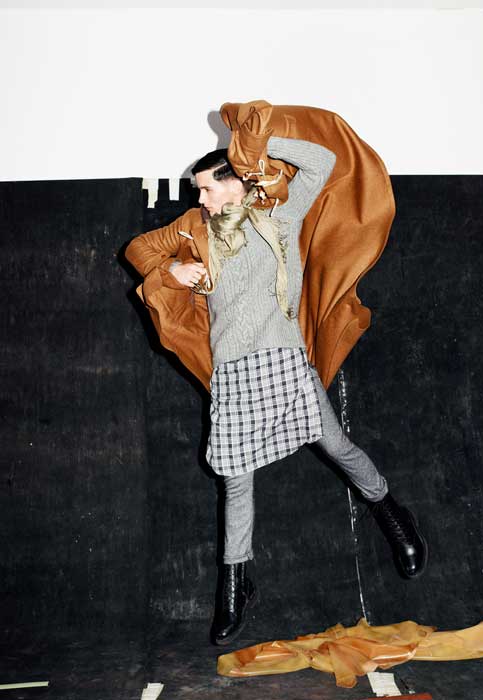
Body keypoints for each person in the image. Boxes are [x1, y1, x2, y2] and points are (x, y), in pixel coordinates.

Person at [125, 134, 428, 647]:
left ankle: (393, 514)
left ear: (235, 183)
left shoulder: (280, 217)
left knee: (337, 448)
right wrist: (171, 270)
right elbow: (137, 250)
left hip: (285, 361)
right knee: (235, 478)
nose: (200, 198)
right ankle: (235, 586)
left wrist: (257, 144)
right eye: (198, 191)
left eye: (206, 188)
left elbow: (322, 161)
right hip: (232, 373)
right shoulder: (195, 227)